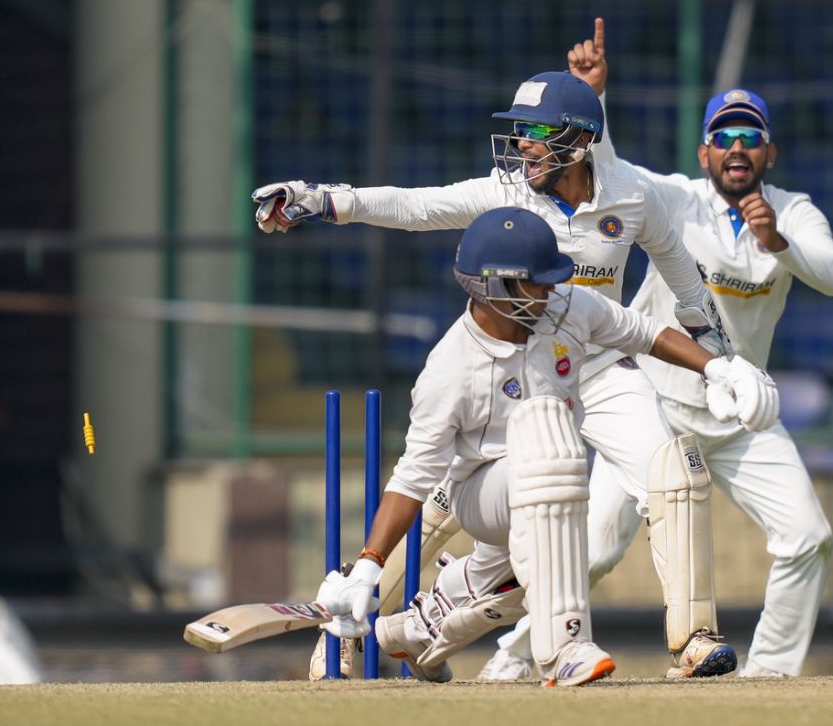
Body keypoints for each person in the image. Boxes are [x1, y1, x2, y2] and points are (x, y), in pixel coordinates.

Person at [253, 69, 767, 679]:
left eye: (537, 132)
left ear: (579, 142)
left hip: (598, 363)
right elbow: (415, 206)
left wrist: (722, 364)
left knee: (674, 470)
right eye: (519, 132)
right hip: (514, 366)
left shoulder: (632, 195)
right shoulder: (506, 194)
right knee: (442, 498)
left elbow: (682, 283)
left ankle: (693, 638)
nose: (522, 145)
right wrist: (323, 200)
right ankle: (347, 630)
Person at [481, 21, 833, 680]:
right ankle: (510, 661)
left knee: (808, 536)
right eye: (724, 138)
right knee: (589, 552)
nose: (737, 148)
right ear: (705, 153)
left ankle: (767, 675)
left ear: (770, 151)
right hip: (657, 406)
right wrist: (595, 100)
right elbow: (609, 176)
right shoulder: (675, 198)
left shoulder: (792, 211)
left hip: (736, 414)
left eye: (750, 138)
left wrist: (778, 243)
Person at [311, 207, 780, 686]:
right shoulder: (450, 369)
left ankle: (412, 631)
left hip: (547, 485)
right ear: (496, 287)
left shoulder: (566, 308)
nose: (550, 291)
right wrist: (369, 565)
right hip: (479, 491)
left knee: (528, 569)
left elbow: (645, 333)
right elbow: (413, 478)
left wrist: (717, 369)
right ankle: (563, 649)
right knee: (549, 448)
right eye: (537, 283)